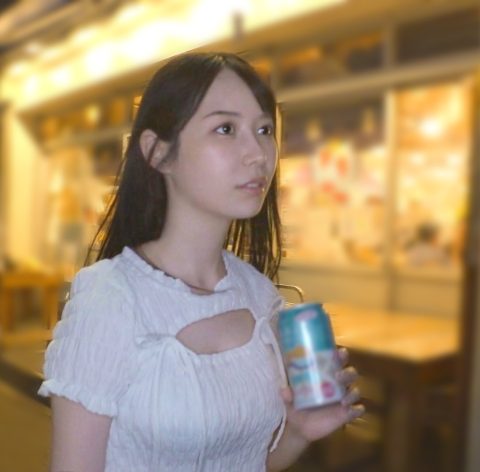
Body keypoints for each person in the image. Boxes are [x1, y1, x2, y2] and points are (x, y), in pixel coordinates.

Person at [38, 52, 364, 472]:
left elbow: (247, 462)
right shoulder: (109, 299)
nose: (257, 153)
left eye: (264, 129)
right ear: (158, 152)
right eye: (225, 128)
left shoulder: (259, 296)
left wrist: (298, 432)